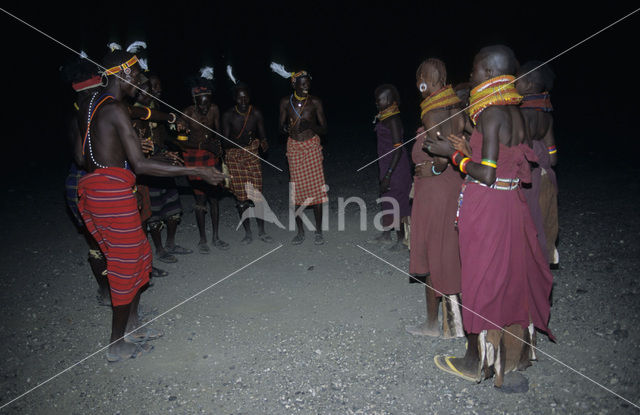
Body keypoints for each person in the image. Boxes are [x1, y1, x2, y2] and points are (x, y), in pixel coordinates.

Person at [76, 49, 226, 362]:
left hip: (98, 190)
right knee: (125, 265)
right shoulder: (116, 108)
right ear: (122, 75)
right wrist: (195, 170)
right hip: (111, 193)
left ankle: (132, 327)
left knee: (140, 255)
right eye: (137, 77)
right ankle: (116, 343)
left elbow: (142, 115)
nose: (141, 82)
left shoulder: (94, 102)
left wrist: (168, 117)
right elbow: (141, 165)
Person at [426, 45, 554, 387]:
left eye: (475, 70)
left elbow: (486, 175)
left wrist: (453, 155)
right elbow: (506, 162)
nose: (470, 76)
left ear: (491, 74)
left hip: (489, 205)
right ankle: (516, 356)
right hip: (512, 203)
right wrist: (471, 150)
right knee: (511, 275)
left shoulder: (491, 113)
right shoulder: (517, 112)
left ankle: (476, 361)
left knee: (482, 278)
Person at [405, 59, 464, 339]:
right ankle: (453, 323)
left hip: (436, 191)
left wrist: (436, 167)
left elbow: (442, 153)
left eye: (422, 74)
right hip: (452, 186)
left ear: (435, 77)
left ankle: (433, 325)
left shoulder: (432, 112)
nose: (418, 79)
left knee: (434, 254)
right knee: (450, 251)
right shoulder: (455, 106)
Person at [61, 53, 111, 306]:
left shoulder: (93, 113)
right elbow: (82, 160)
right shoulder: (78, 117)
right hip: (83, 181)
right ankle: (105, 292)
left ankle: (115, 291)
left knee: (108, 242)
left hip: (95, 180)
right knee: (96, 243)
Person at [132, 75, 191, 265]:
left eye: (155, 88)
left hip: (161, 163)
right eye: (150, 89)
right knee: (153, 213)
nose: (155, 92)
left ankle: (171, 243)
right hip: (145, 170)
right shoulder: (130, 113)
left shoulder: (153, 110)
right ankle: (159, 250)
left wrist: (175, 145)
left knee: (173, 207)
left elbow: (161, 135)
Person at [272, 62, 328, 245]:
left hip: (311, 146)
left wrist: (310, 125)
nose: (306, 87)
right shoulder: (284, 103)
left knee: (317, 191)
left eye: (307, 83)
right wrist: (285, 128)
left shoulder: (315, 102)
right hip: (294, 147)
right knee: (296, 192)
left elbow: (325, 129)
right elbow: (279, 129)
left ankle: (318, 231)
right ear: (293, 85)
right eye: (302, 84)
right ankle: (300, 232)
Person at [179, 66, 229, 253]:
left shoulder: (214, 109)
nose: (204, 108)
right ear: (194, 101)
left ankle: (216, 237)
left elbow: (217, 133)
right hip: (193, 157)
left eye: (207, 103)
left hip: (210, 155)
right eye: (201, 104)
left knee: (214, 198)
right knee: (200, 198)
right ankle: (202, 239)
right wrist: (203, 146)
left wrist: (219, 150)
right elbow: (181, 144)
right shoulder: (186, 115)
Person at [222, 66, 272, 244]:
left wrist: (264, 142)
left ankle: (262, 231)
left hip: (251, 154)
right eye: (239, 97)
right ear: (235, 98)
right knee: (242, 198)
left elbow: (262, 134)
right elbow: (224, 141)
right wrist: (239, 144)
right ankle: (247, 232)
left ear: (250, 97)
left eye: (246, 97)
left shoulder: (256, 113)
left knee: (257, 195)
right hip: (235, 156)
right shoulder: (228, 115)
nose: (243, 100)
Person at [516, 61, 559, 267]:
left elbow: (522, 150)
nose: (513, 83)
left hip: (529, 178)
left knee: (527, 227)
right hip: (546, 176)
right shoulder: (545, 113)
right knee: (542, 223)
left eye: (518, 80)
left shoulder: (523, 113)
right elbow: (552, 157)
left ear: (530, 84)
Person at [371, 84, 411, 250]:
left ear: (391, 100)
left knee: (398, 202)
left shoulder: (393, 119)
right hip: (387, 164)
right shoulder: (385, 116)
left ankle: (402, 239)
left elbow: (398, 150)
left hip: (396, 167)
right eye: (377, 99)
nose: (377, 102)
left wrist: (388, 175)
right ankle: (387, 234)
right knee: (387, 199)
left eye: (381, 99)